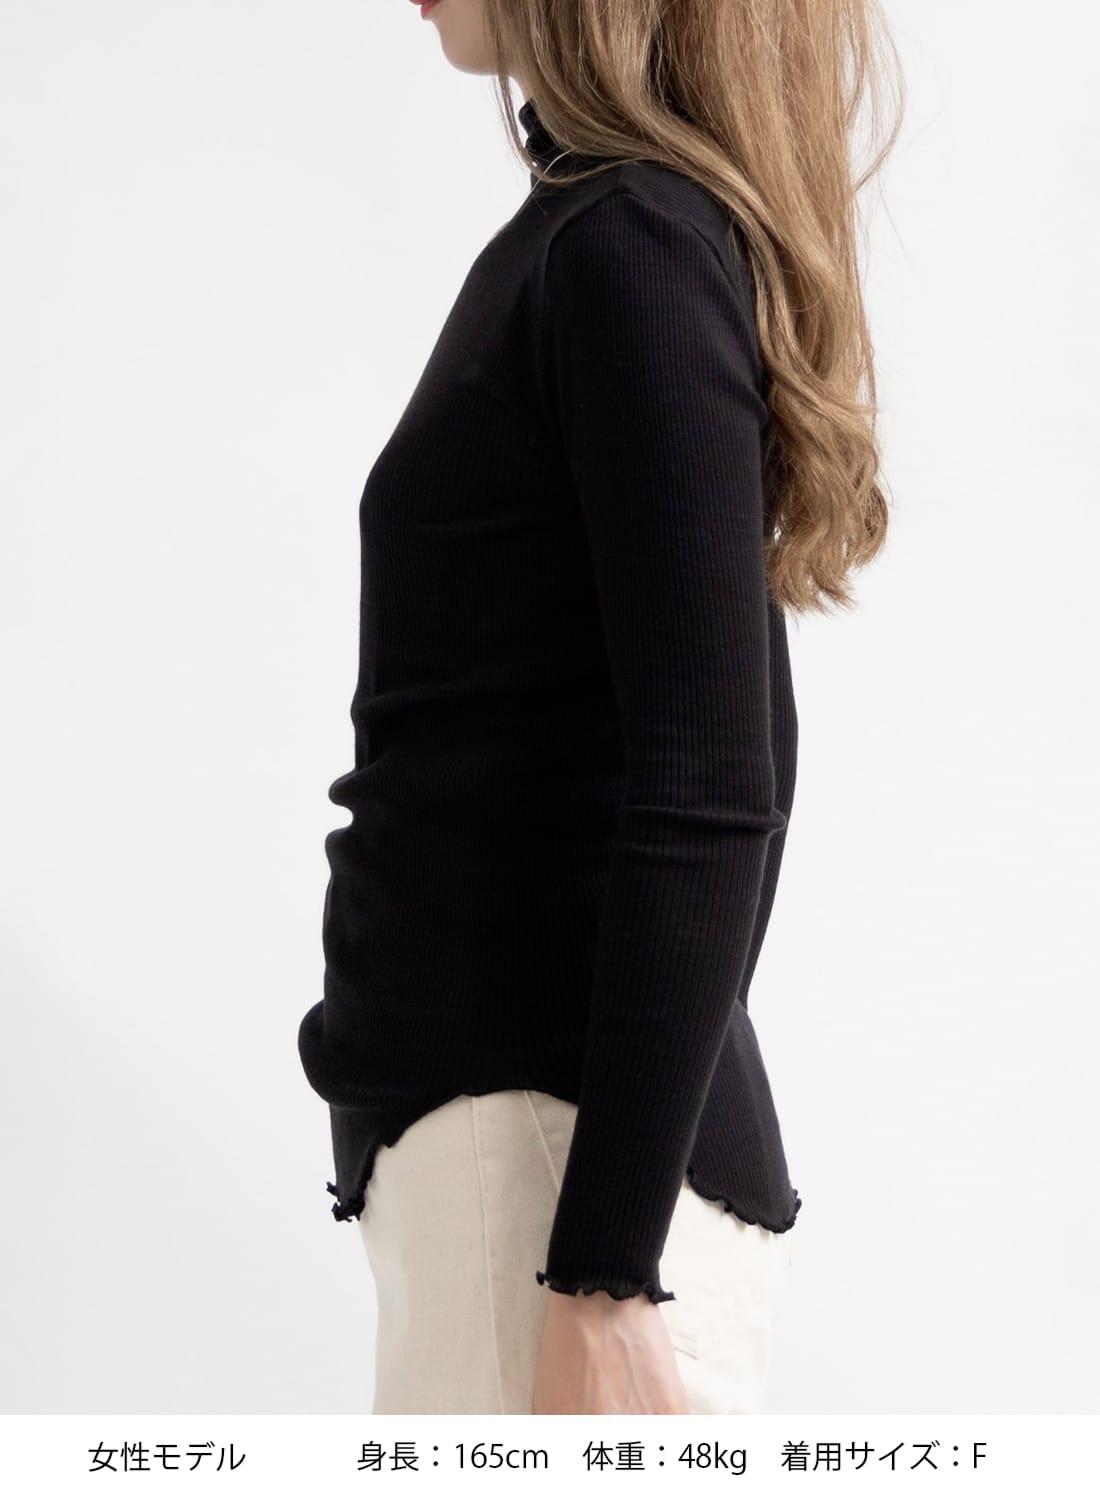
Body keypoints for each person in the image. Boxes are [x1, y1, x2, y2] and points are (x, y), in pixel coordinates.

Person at [297, 0, 902, 1415]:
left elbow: (717, 784)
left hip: (547, 1182)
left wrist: (606, 1272)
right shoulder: (596, 239)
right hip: (524, 1167)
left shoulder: (628, 245)